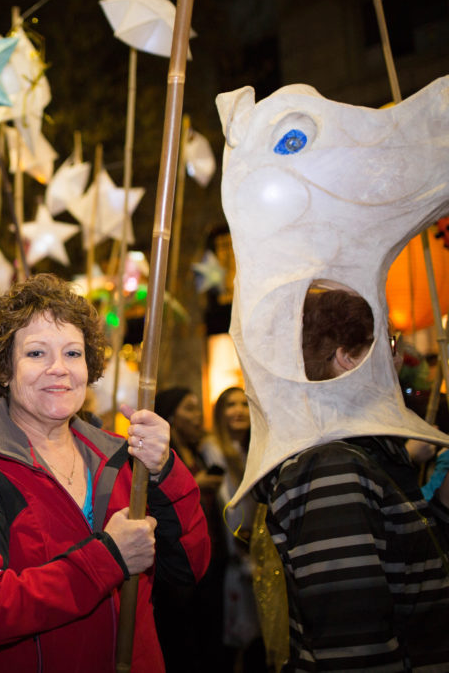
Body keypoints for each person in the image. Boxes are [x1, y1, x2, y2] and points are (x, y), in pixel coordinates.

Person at [0, 273, 211, 672]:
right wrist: (106, 558)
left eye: (73, 353)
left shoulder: (118, 454)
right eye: (37, 353)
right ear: (5, 371)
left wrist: (165, 470)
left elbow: (186, 566)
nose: (59, 369)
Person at [253, 287, 449, 670]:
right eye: (389, 342)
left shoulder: (368, 452)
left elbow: (409, 574)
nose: (398, 358)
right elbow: (354, 647)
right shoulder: (332, 468)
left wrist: (441, 503)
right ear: (346, 358)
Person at [150, 387, 228, 673]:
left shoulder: (200, 453)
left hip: (210, 560)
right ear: (170, 417)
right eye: (190, 408)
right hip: (179, 574)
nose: (198, 417)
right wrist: (196, 484)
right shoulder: (161, 464)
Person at [201, 387, 266, 672]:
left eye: (244, 404)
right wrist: (242, 541)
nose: (238, 410)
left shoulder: (254, 447)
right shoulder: (212, 448)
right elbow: (228, 503)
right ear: (219, 413)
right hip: (233, 550)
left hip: (256, 548)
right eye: (230, 405)